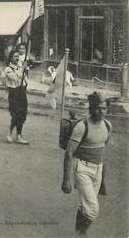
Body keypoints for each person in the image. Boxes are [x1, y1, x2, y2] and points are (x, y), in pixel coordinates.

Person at [61, 92, 111, 236]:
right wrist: (66, 180)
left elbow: (102, 149)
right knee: (93, 209)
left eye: (104, 108)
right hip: (82, 168)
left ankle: (78, 232)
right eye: (97, 108)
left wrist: (102, 171)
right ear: (91, 108)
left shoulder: (108, 125)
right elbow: (69, 153)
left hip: (98, 169)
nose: (101, 112)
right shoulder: (82, 127)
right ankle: (82, 233)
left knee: (85, 205)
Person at [4, 50, 29, 144]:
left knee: (22, 114)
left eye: (18, 56)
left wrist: (25, 84)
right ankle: (9, 133)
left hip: (22, 92)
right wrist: (22, 68)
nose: (17, 58)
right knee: (15, 115)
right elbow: (15, 78)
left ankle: (19, 135)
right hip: (14, 93)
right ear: (11, 58)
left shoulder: (20, 67)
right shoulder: (8, 69)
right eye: (15, 56)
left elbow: (24, 79)